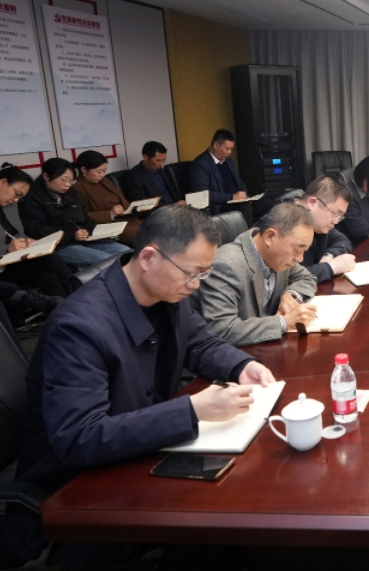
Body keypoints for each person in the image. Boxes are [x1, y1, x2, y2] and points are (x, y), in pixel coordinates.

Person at [10, 205, 274, 565]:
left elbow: (200, 342)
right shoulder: (80, 327)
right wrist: (192, 410)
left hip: (142, 451)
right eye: (191, 273)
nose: (196, 285)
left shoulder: (166, 294)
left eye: (204, 273)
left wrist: (242, 365)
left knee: (243, 504)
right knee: (225, 528)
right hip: (84, 486)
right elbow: (80, 437)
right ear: (148, 257)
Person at [191, 203, 318, 346]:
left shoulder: (279, 257)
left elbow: (307, 278)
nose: (300, 258)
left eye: (305, 250)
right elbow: (222, 329)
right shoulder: (226, 266)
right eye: (298, 249)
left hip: (268, 346)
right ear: (270, 237)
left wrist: (290, 295)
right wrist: (284, 322)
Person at [19, 158, 131, 267]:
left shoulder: (70, 195)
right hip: (59, 246)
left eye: (71, 180)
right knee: (106, 260)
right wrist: (72, 235)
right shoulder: (32, 199)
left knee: (127, 252)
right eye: (64, 180)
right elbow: (35, 230)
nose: (67, 184)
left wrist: (89, 230)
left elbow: (86, 218)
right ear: (46, 176)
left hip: (85, 241)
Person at [0, 164, 73, 299]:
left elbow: (15, 233)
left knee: (48, 279)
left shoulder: (8, 207)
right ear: (3, 183)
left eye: (20, 198)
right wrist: (7, 250)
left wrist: (26, 241)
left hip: (12, 264)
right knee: (47, 257)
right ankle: (83, 294)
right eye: (17, 194)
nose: (16, 200)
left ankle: (70, 308)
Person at [293, 173, 357, 283]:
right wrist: (331, 268)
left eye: (339, 217)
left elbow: (343, 241)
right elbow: (288, 279)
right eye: (335, 214)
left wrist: (329, 255)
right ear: (312, 203)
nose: (335, 221)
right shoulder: (284, 225)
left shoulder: (318, 224)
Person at [71, 150, 141, 246]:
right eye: (98, 172)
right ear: (84, 170)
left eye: (104, 171)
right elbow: (81, 216)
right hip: (110, 225)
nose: (102, 175)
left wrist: (133, 208)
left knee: (157, 227)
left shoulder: (105, 181)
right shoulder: (77, 187)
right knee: (146, 236)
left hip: (128, 219)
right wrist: (110, 214)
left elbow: (121, 199)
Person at [190, 129, 249, 214]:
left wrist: (245, 195)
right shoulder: (201, 164)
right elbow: (203, 194)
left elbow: (239, 181)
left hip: (236, 200)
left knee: (264, 202)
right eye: (227, 149)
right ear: (216, 145)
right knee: (246, 207)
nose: (229, 152)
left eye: (231, 149)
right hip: (219, 205)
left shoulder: (229, 161)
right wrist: (231, 197)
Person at [123, 140, 183, 207]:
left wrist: (179, 202)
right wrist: (172, 206)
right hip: (159, 210)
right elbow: (142, 204)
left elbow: (172, 192)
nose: (161, 164)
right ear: (146, 157)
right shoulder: (134, 176)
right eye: (158, 160)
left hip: (174, 206)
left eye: (163, 160)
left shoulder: (161, 170)